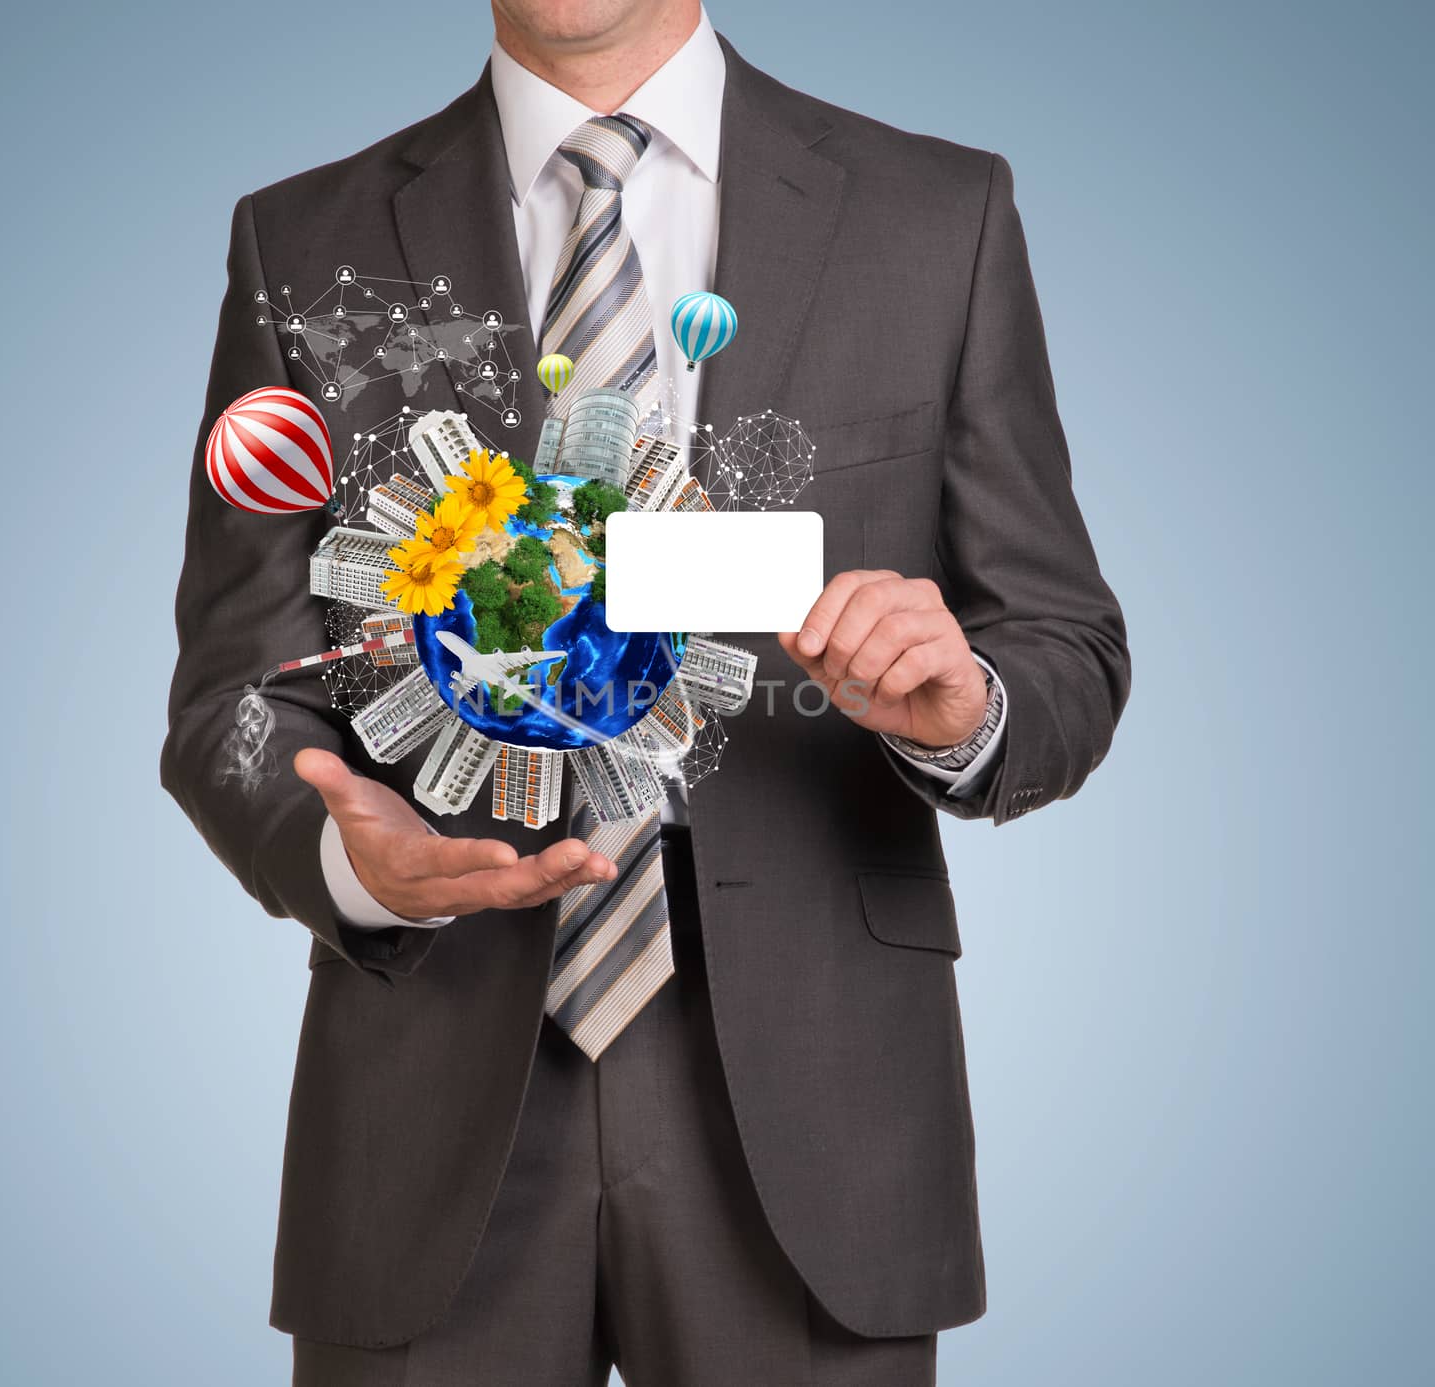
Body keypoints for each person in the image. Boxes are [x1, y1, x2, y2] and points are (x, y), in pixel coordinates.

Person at [162, 2, 1130, 1382]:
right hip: (430, 1090)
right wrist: (350, 860)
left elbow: (1063, 644)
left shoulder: (937, 216)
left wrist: (969, 707)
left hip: (816, 1105)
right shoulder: (302, 240)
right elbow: (232, 698)